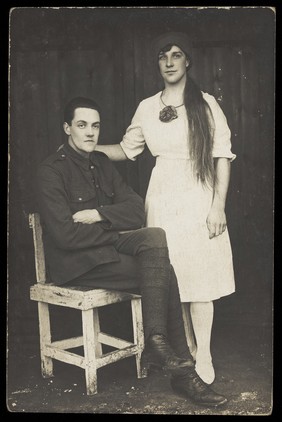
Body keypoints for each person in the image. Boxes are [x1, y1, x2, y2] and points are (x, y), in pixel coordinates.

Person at [36, 96, 228, 407]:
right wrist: (113, 226)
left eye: (95, 126)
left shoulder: (100, 163)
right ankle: (183, 374)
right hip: (78, 263)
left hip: (104, 248)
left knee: (154, 236)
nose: (90, 133)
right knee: (164, 270)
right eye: (82, 125)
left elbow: (136, 210)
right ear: (67, 128)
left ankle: (155, 340)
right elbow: (66, 236)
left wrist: (99, 214)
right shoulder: (51, 171)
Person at [95, 32, 236, 385]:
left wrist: (218, 206)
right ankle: (186, 351)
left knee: (200, 278)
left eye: (176, 55)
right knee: (175, 279)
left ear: (188, 60)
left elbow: (222, 156)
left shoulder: (205, 103)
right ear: (157, 63)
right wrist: (88, 147)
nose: (170, 61)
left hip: (199, 195)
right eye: (163, 56)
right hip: (162, 196)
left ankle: (204, 352)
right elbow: (128, 150)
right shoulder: (146, 107)